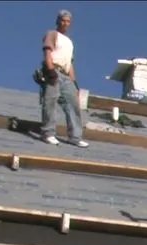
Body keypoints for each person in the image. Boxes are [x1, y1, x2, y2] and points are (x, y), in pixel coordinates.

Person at [36, 9, 89, 148]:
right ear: (58, 21)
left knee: (73, 105)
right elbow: (47, 52)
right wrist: (50, 70)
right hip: (53, 70)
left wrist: (74, 81)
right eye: (63, 20)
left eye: (68, 21)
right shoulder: (52, 34)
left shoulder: (69, 42)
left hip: (66, 75)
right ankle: (48, 133)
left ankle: (75, 137)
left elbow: (69, 63)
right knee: (50, 101)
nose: (65, 23)